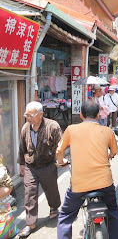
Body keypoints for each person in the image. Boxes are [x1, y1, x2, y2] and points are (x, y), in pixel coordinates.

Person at [56, 102, 118, 239]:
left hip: (79, 184)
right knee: (113, 212)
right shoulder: (107, 131)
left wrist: (61, 162)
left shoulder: (71, 129)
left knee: (65, 216)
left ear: (81, 115)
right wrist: (108, 156)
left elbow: (60, 150)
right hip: (104, 182)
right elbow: (114, 151)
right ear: (98, 115)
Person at [17, 101, 62, 237]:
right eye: (26, 115)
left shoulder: (52, 126)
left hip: (48, 164)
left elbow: (60, 144)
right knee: (29, 192)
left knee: (51, 189)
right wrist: (21, 163)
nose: (28, 117)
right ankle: (30, 223)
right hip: (31, 165)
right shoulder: (26, 128)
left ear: (41, 114)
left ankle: (54, 206)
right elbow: (22, 147)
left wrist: (60, 159)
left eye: (31, 115)